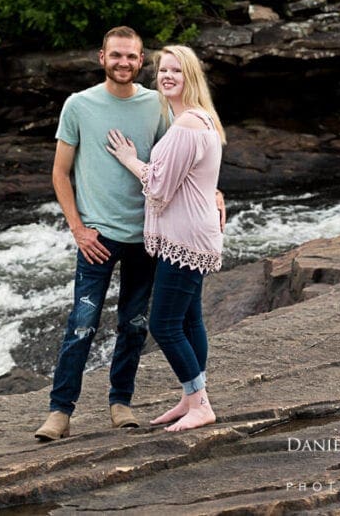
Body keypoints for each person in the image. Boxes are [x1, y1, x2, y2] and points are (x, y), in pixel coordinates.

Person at [34, 26, 168, 442]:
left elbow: (171, 168)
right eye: (116, 56)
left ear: (141, 60)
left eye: (131, 56)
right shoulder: (78, 106)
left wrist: (213, 194)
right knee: (82, 323)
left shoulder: (158, 106)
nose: (123, 63)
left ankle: (120, 404)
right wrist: (78, 228)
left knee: (133, 324)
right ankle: (60, 412)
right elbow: (60, 171)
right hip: (97, 238)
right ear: (101, 57)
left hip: (146, 236)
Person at [105, 44, 226, 432]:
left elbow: (160, 186)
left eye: (176, 71)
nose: (168, 76)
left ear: (190, 77)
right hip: (195, 231)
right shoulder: (200, 119)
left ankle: (201, 404)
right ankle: (190, 398)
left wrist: (128, 160)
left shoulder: (188, 124)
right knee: (190, 320)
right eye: (163, 71)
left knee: (165, 324)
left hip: (186, 236)